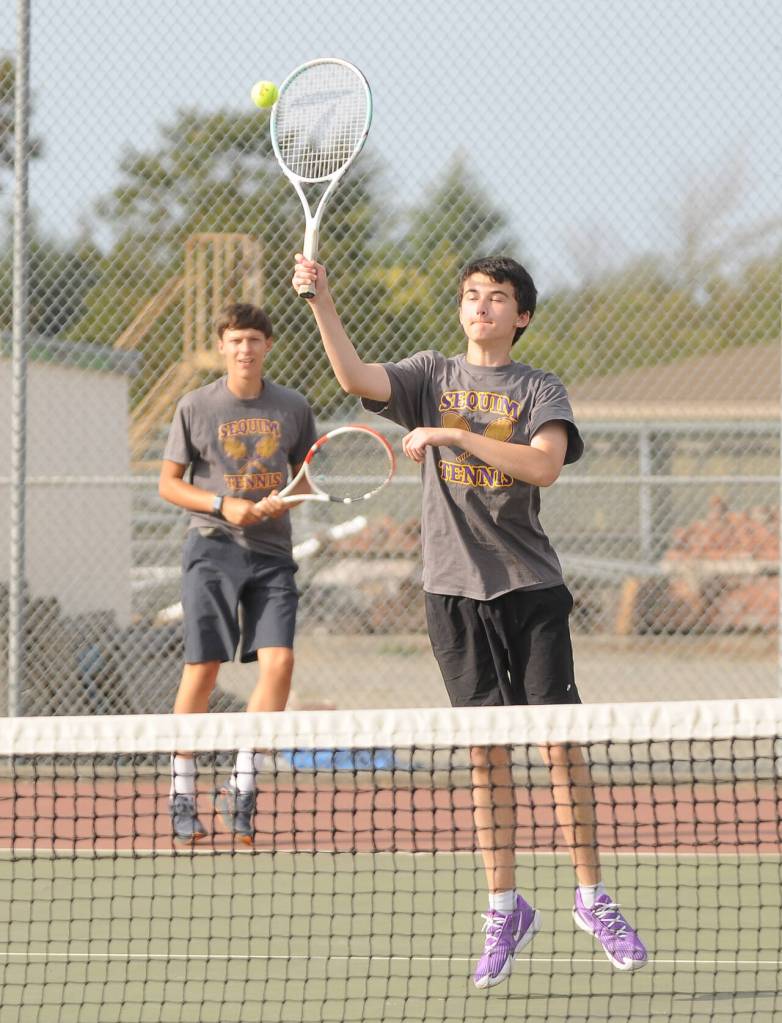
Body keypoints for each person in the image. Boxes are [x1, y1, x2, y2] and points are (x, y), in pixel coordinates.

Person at [291, 254, 648, 987]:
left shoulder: (538, 387)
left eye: (498, 298)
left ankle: (591, 895)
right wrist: (322, 300)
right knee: (486, 752)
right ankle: (503, 905)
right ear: (461, 311)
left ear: (521, 316)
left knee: (557, 745)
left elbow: (543, 465)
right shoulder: (429, 375)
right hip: (453, 593)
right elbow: (356, 379)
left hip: (531, 586)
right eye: (472, 296)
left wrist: (454, 437)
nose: (481, 306)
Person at [160, 301, 316, 846]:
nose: (245, 349)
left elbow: (303, 479)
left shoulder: (293, 406)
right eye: (235, 340)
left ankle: (241, 782)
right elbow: (170, 484)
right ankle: (182, 789)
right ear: (222, 347)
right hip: (212, 548)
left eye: (254, 339)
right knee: (203, 668)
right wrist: (225, 506)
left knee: (280, 663)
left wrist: (280, 503)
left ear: (267, 346)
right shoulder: (195, 406)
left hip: (271, 555)